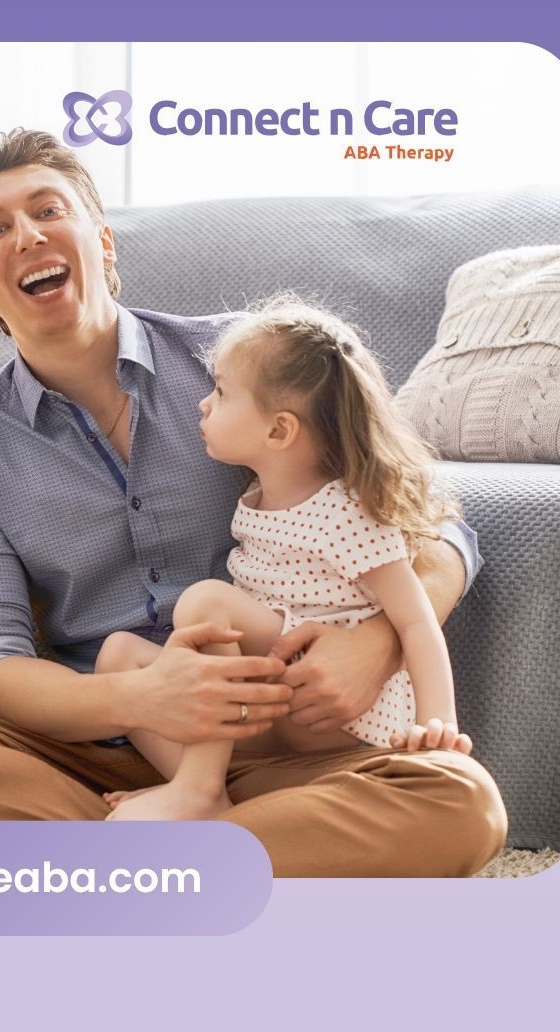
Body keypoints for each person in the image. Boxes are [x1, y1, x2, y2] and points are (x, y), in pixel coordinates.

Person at [0, 129, 509, 876]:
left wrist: (379, 639)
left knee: (462, 800)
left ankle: (118, 870)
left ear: (102, 242)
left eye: (48, 210)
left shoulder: (245, 360)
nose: (28, 236)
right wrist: (143, 699)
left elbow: (434, 523)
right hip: (88, 757)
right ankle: (212, 862)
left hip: (284, 749)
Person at [98, 298, 472, 822]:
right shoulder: (257, 498)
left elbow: (414, 619)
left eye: (222, 393)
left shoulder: (345, 512)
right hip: (274, 697)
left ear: (279, 431)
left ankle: (199, 789)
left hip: (340, 713)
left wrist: (438, 726)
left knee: (207, 602)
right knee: (117, 657)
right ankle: (205, 793)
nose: (203, 405)